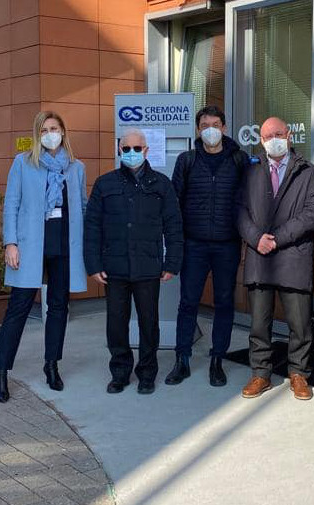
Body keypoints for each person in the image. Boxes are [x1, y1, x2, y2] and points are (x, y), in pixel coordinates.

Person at [0, 111, 88, 400]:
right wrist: (10, 243)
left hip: (64, 246)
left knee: (58, 308)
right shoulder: (23, 163)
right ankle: (1, 371)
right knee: (18, 308)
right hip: (30, 245)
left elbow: (82, 206)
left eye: (54, 128)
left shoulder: (76, 167)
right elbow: (11, 204)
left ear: (63, 131)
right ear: (37, 134)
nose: (50, 134)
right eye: (44, 130)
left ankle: (51, 365)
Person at [85, 128, 183, 395]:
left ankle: (147, 374)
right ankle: (120, 373)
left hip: (148, 266)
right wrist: (93, 264)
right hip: (114, 267)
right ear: (119, 150)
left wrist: (172, 262)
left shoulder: (161, 184)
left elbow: (174, 225)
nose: (131, 153)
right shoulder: (105, 184)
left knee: (148, 323)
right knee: (116, 323)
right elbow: (92, 226)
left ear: (146, 150)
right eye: (126, 148)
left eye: (137, 148)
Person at [237, 117, 314, 401]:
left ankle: (299, 373)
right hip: (260, 256)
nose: (273, 139)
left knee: (300, 324)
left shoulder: (309, 173)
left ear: (289, 136)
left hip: (293, 256)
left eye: (278, 133)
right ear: (261, 140)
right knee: (259, 324)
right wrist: (256, 238)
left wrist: (277, 238)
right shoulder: (250, 171)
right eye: (267, 136)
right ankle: (260, 373)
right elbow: (239, 211)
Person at [167, 105, 248, 388]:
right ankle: (182, 359)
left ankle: (217, 360)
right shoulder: (186, 160)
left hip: (227, 244)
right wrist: (176, 241)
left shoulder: (239, 159)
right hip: (194, 244)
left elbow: (248, 201)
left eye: (215, 125)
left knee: (224, 303)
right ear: (197, 130)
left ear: (224, 128)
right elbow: (174, 203)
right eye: (204, 126)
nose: (210, 130)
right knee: (188, 302)